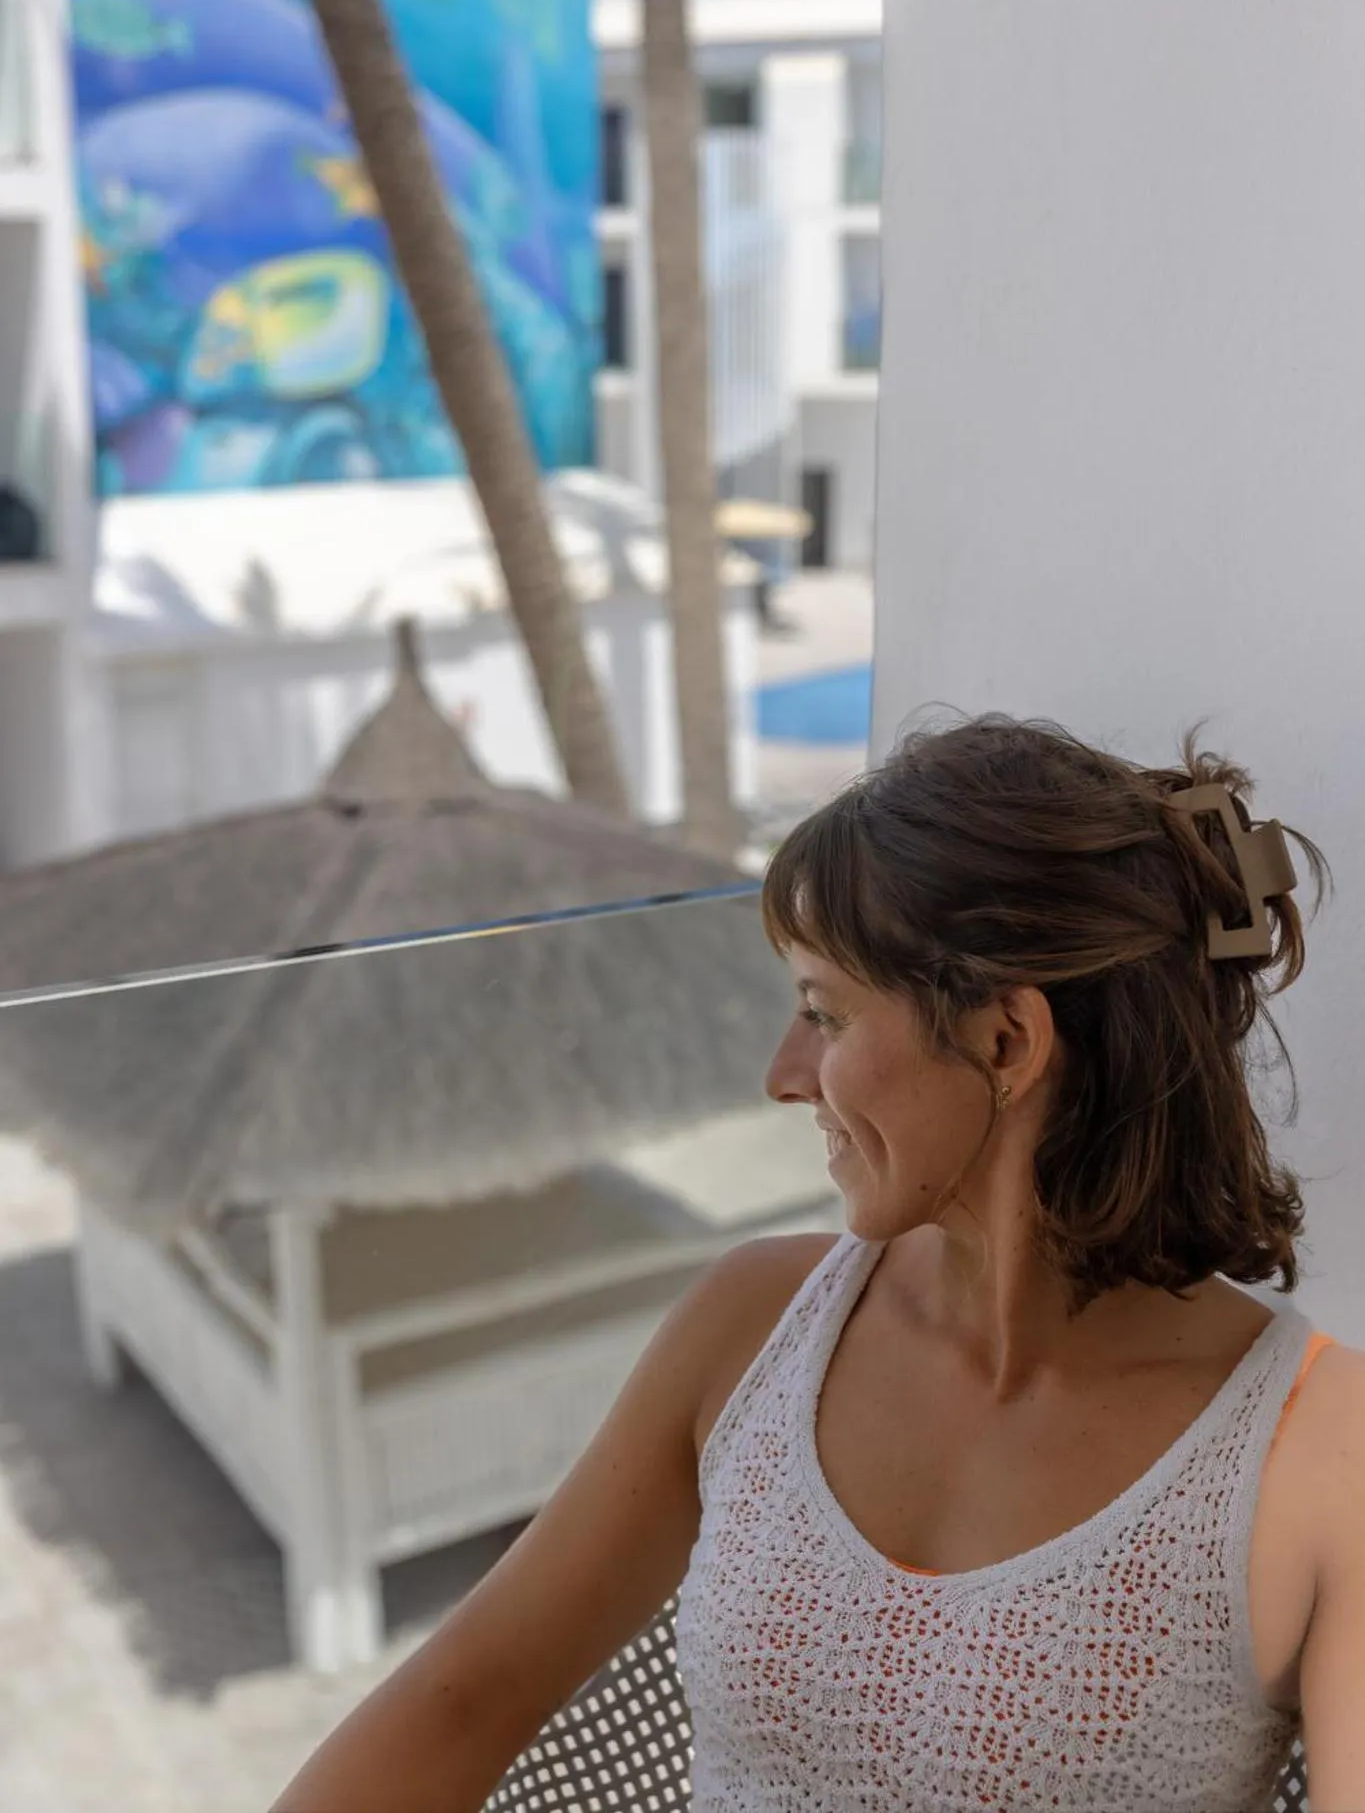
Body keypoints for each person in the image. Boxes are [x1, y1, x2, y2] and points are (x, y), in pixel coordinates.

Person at [269, 715, 1365, 1813]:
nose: (784, 1074)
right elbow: (471, 1695)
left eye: (823, 1012)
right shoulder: (752, 1326)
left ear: (1005, 1042)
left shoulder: (1319, 1454)